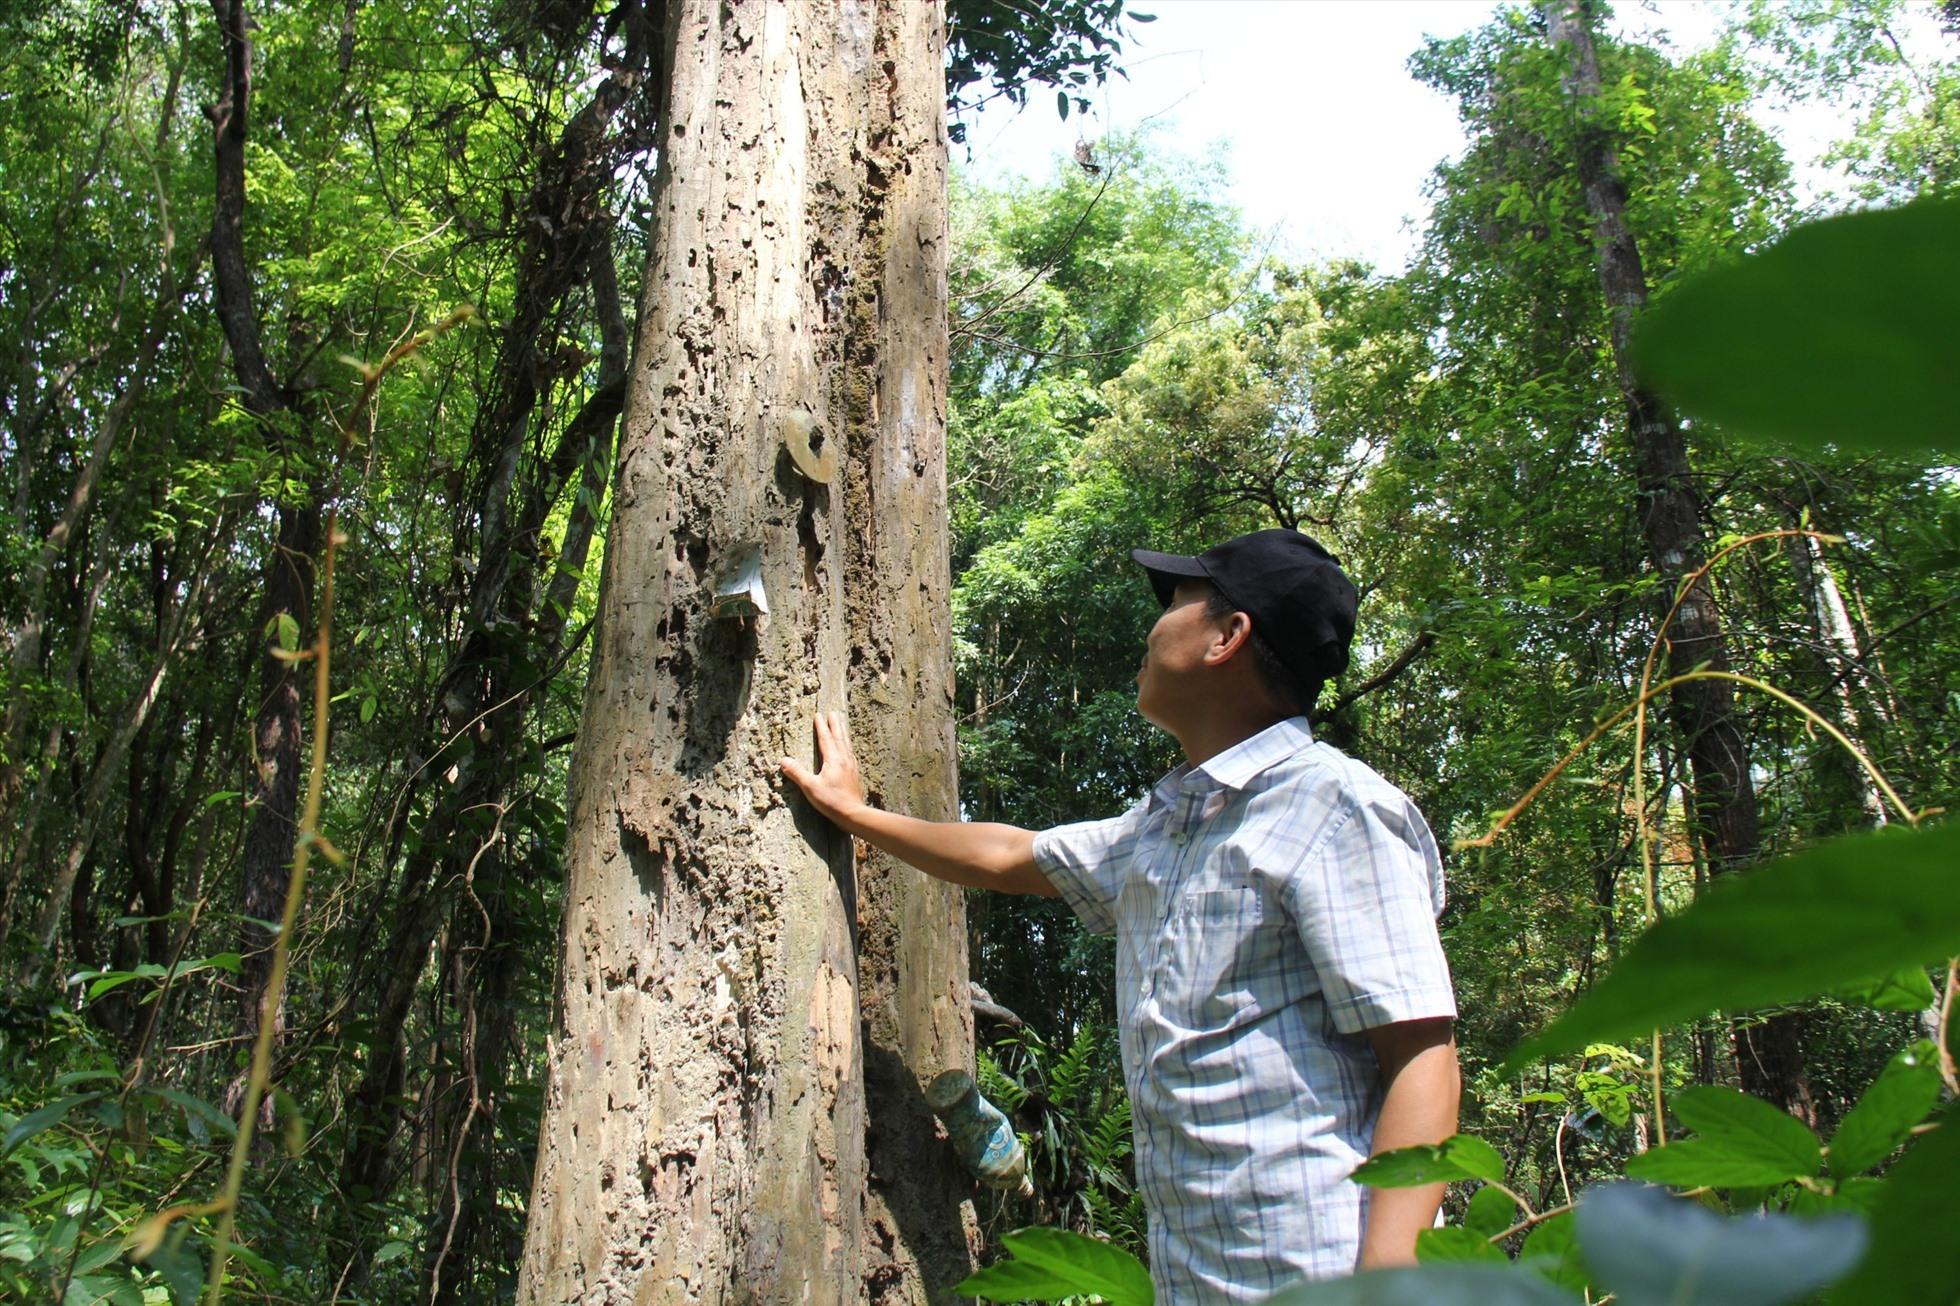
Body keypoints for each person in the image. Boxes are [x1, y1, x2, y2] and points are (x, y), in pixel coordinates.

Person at [780, 528, 1459, 1301]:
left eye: (1177, 602)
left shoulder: (1336, 807)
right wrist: (856, 814)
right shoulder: (1168, 824)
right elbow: (1010, 856)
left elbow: (1422, 1053)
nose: (1155, 625)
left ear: (1228, 637)